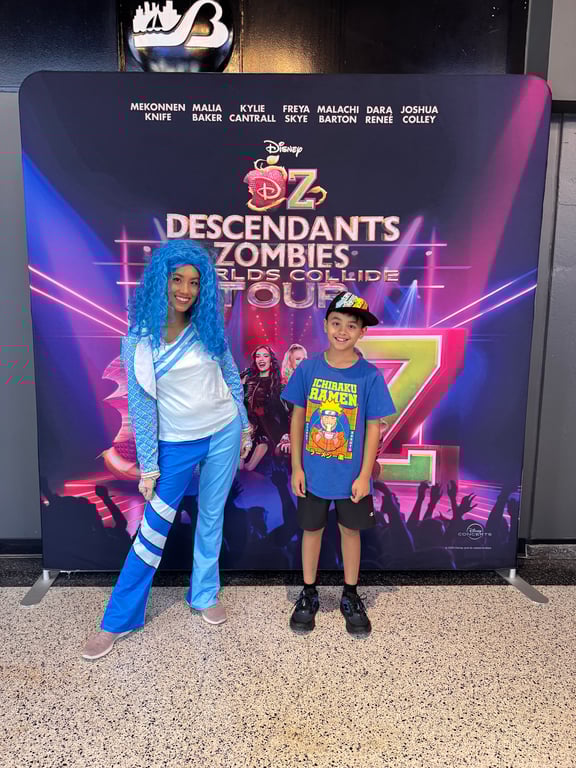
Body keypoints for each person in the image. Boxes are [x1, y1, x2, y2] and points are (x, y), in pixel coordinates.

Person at [82, 241, 251, 660]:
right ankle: (116, 621)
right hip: (176, 443)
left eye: (194, 282)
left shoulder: (208, 328)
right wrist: (149, 466)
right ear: (162, 281)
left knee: (212, 515)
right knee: (152, 531)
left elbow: (231, 377)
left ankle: (204, 593)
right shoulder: (139, 339)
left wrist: (245, 424)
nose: (185, 290)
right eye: (177, 279)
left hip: (224, 431)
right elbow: (141, 407)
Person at [282, 291, 396, 635]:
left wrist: (364, 475)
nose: (342, 331)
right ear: (325, 325)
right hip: (313, 474)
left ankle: (350, 593)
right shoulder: (308, 369)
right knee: (311, 530)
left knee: (350, 531)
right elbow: (297, 418)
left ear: (362, 332)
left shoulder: (369, 376)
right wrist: (297, 467)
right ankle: (309, 592)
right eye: (336, 323)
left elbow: (373, 429)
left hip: (351, 478)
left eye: (351, 325)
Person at [240, 344, 289, 469]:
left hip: (266, 427)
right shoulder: (248, 378)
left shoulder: (277, 384)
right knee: (240, 465)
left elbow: (282, 412)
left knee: (250, 466)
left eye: (265, 356)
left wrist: (285, 433)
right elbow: (239, 401)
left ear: (271, 360)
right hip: (247, 424)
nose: (261, 359)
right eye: (258, 356)